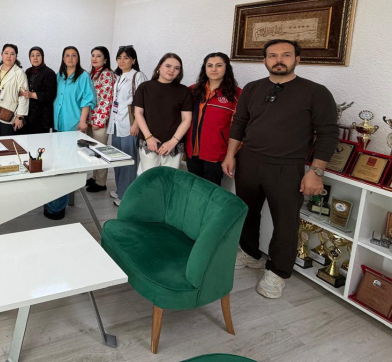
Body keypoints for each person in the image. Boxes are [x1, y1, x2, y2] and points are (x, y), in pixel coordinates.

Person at [223, 39, 337, 299]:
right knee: (246, 213)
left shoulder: (316, 92)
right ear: (264, 60)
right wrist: (230, 155)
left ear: (297, 59)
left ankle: (278, 271)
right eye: (272, 55)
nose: (279, 60)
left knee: (285, 222)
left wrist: (316, 172)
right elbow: (239, 123)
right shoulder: (252, 88)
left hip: (287, 167)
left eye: (286, 54)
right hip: (249, 162)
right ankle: (250, 253)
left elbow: (328, 134)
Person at [45, 46, 96, 220]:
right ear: (63, 58)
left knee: (69, 162)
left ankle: (62, 201)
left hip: (73, 123)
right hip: (58, 123)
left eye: (74, 55)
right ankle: (58, 197)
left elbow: (87, 100)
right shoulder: (59, 75)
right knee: (58, 161)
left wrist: (83, 121)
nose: (70, 58)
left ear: (78, 58)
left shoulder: (83, 76)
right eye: (67, 55)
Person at [185, 52, 241, 187]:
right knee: (193, 189)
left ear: (227, 68)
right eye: (209, 65)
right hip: (192, 152)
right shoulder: (192, 91)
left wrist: (231, 155)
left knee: (212, 192)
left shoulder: (236, 94)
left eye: (219, 65)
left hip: (216, 154)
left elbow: (240, 127)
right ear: (204, 68)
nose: (214, 69)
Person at [133, 53, 193, 174]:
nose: (172, 70)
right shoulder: (144, 87)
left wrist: (173, 142)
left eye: (177, 68)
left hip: (173, 144)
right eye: (168, 66)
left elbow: (187, 119)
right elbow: (138, 113)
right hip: (148, 141)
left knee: (168, 179)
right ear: (159, 67)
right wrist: (149, 137)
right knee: (149, 178)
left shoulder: (184, 91)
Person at [107, 46, 147, 206]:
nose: (122, 61)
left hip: (129, 123)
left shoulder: (138, 76)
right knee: (117, 158)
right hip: (117, 123)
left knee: (128, 160)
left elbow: (143, 102)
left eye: (126, 58)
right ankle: (120, 189)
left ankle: (126, 196)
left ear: (133, 60)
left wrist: (136, 123)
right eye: (119, 58)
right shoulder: (119, 76)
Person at [86, 46, 116, 193]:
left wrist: (100, 120)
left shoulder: (107, 74)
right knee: (93, 150)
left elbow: (107, 99)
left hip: (99, 120)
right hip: (90, 118)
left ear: (105, 59)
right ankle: (94, 177)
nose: (95, 58)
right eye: (93, 55)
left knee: (101, 150)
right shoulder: (93, 73)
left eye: (98, 56)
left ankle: (101, 182)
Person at [0, 44, 29, 136]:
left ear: (16, 56)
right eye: (6, 53)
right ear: (1, 55)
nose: (9, 56)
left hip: (10, 116)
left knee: (8, 143)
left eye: (12, 54)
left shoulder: (19, 73)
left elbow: (24, 97)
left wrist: (20, 117)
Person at [20, 47, 57, 134]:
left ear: (42, 57)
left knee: (40, 142)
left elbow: (51, 95)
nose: (35, 58)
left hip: (42, 118)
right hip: (28, 116)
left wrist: (31, 94)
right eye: (32, 56)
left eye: (38, 55)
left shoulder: (49, 73)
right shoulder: (28, 71)